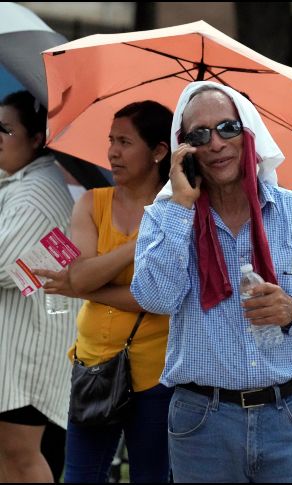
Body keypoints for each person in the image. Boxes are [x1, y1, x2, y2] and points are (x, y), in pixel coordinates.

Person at [130, 81, 292, 483]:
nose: (216, 143)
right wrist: (182, 206)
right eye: (199, 134)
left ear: (249, 135)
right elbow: (155, 297)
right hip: (202, 423)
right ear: (183, 150)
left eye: (227, 128)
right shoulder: (165, 217)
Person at [35, 101, 174, 482]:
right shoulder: (93, 201)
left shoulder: (180, 214)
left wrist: (85, 286)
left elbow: (158, 297)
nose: (112, 151)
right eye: (111, 140)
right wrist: (136, 243)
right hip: (94, 366)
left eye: (126, 142)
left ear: (160, 151)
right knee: (80, 476)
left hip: (158, 376)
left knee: (151, 477)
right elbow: (79, 276)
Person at [0, 91, 75, 483]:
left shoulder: (36, 194)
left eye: (6, 129)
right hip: (28, 345)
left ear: (36, 140)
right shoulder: (24, 183)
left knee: (20, 455)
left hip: (28, 355)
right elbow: (35, 266)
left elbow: (3, 268)